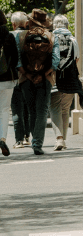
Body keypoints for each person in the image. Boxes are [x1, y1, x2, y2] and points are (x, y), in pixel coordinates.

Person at [17, 9, 54, 155]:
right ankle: (37, 144)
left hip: (26, 78)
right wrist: (43, 75)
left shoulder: (21, 37)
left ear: (30, 21)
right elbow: (56, 61)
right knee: (42, 111)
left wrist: (28, 75)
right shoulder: (51, 36)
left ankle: (34, 140)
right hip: (45, 79)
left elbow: (18, 61)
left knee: (32, 111)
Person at [49, 14, 83, 151]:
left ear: (54, 26)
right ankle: (63, 139)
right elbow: (76, 60)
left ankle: (59, 139)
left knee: (54, 107)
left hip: (54, 78)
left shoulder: (50, 38)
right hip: (70, 79)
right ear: (67, 25)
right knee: (65, 109)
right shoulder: (73, 39)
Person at [9, 12, 29, 147]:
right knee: (27, 108)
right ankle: (28, 137)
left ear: (13, 24)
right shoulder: (31, 35)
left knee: (16, 110)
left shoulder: (10, 36)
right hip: (30, 77)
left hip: (14, 77)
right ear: (26, 23)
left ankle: (19, 140)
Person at [0, 16, 18, 156]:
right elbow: (15, 58)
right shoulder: (9, 36)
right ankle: (2, 138)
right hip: (7, 79)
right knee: (5, 110)